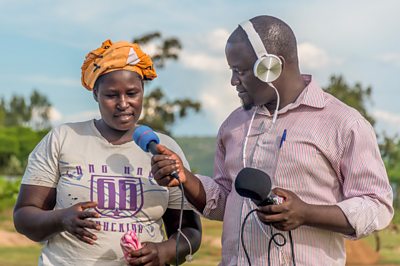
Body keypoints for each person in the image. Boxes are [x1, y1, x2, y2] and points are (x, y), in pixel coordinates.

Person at [150, 15, 394, 265]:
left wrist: (306, 213)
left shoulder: (343, 123)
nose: (233, 81)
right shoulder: (232, 126)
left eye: (240, 71)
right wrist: (185, 178)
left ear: (271, 67)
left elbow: (376, 204)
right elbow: (225, 201)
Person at [13, 39, 201, 266]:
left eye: (132, 93)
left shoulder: (164, 148)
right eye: (111, 95)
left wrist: (163, 252)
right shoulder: (63, 138)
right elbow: (24, 216)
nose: (123, 103)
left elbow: (189, 231)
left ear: (143, 92)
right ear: (95, 94)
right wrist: (61, 218)